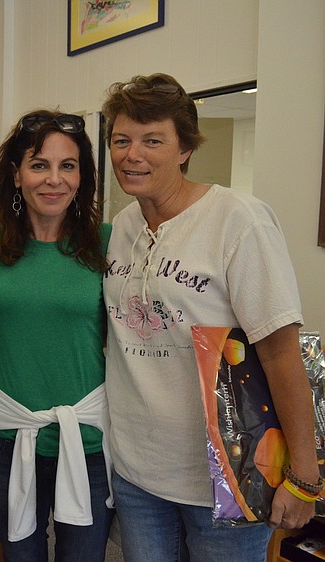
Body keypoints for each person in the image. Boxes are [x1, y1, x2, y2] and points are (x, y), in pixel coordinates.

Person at [101, 72, 320, 562]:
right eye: (121, 140)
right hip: (137, 474)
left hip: (227, 478)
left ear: (185, 149)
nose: (132, 154)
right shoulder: (122, 228)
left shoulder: (238, 219)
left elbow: (281, 353)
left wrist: (305, 476)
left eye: (152, 140)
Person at [0, 110, 113, 562]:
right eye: (39, 165)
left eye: (67, 165)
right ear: (16, 175)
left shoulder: (107, 242)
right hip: (11, 437)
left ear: (82, 176)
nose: (54, 179)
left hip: (87, 439)